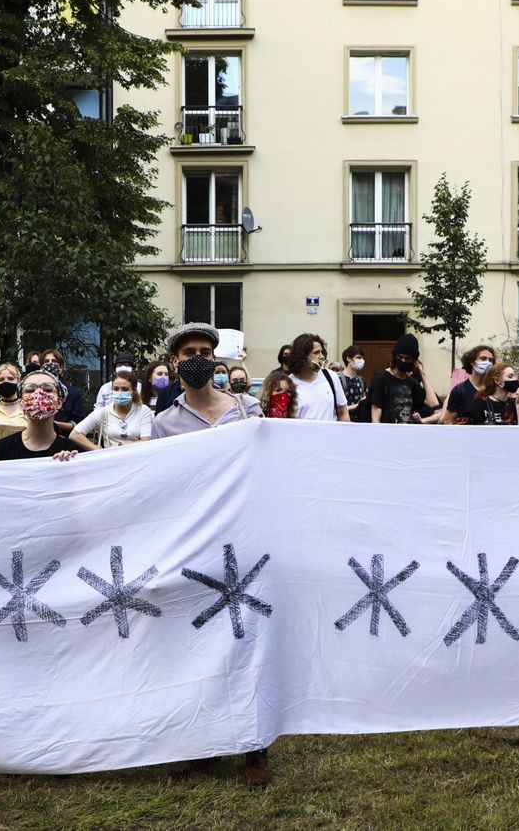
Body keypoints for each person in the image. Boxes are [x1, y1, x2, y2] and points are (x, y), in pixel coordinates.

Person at [146, 322, 267, 784]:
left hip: (247, 538)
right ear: (175, 362)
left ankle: (255, 747)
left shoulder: (248, 409)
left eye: (205, 351)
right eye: (188, 351)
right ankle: (203, 743)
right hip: (197, 542)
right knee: (198, 641)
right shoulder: (165, 422)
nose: (197, 357)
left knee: (248, 638)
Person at [0, 368, 81, 464]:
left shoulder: (73, 452)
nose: (38, 393)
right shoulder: (1, 449)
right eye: (30, 389)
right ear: (21, 402)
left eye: (47, 388)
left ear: (59, 402)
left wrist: (71, 465)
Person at [72, 372, 153, 449]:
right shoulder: (103, 412)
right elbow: (75, 434)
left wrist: (120, 447)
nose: (120, 392)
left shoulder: (143, 411)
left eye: (125, 389)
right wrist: (98, 451)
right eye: (116, 389)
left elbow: (146, 441)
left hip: (137, 459)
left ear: (134, 391)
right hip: (111, 460)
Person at [368, 334, 436, 425]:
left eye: (407, 358)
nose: (403, 361)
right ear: (395, 356)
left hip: (408, 435)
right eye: (400, 357)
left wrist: (422, 375)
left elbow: (433, 404)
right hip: (388, 434)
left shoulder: (413, 383)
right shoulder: (381, 379)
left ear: (413, 360)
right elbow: (376, 414)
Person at [285, 333, 349, 422]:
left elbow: (343, 413)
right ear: (302, 356)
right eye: (316, 353)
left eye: (322, 352)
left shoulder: (331, 377)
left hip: (330, 435)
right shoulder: (288, 384)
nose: (322, 356)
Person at [443, 345, 496, 425]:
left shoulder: (494, 389)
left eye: (490, 360)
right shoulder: (459, 390)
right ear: (472, 362)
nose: (488, 363)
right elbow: (448, 422)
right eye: (483, 359)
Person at [39, 349, 86, 437]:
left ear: (61, 369)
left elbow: (78, 424)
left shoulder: (73, 394)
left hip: (64, 440)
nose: (50, 364)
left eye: (54, 361)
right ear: (41, 368)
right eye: (46, 362)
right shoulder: (35, 392)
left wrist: (53, 423)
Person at [340, 345, 368, 422]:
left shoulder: (361, 380)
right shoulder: (338, 379)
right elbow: (334, 407)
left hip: (359, 423)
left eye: (362, 358)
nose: (362, 361)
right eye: (359, 357)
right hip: (343, 423)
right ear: (349, 359)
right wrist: (356, 406)